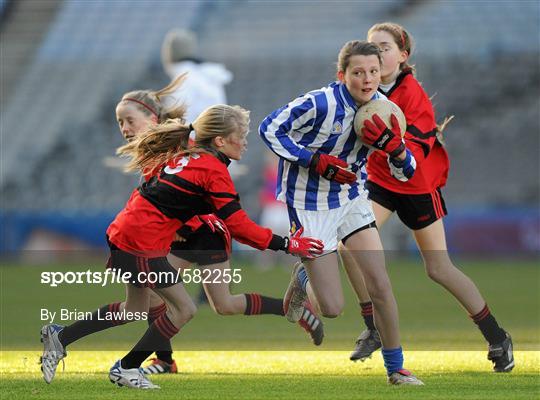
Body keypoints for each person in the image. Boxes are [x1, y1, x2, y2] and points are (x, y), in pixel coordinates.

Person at [39, 104, 324, 389]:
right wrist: (288, 244)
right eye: (241, 135)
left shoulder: (193, 156)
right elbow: (238, 225)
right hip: (141, 241)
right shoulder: (212, 168)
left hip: (128, 233)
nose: (246, 141)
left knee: (137, 309)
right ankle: (127, 367)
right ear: (220, 141)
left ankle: (61, 337)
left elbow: (158, 191)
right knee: (184, 308)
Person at [116, 83, 325, 375]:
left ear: (151, 118)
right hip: (189, 233)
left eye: (129, 120)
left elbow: (233, 221)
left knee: (218, 305)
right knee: (172, 299)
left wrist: (286, 244)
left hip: (208, 234)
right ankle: (161, 361)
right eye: (122, 122)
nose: (125, 128)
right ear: (220, 140)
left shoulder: (185, 148)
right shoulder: (175, 145)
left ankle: (142, 364)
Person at [342, 22, 513, 373]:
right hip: (381, 183)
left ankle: (497, 336)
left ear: (403, 56)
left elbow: (413, 161)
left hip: (418, 187)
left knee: (438, 268)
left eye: (386, 47)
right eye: (373, 46)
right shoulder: (363, 84)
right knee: (348, 246)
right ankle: (373, 327)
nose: (378, 52)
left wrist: (394, 148)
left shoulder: (412, 94)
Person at [259, 40, 423, 385]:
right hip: (308, 205)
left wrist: (395, 150)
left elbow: (407, 171)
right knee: (332, 308)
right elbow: (269, 128)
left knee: (380, 283)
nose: (367, 79)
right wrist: (314, 160)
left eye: (374, 72)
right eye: (358, 72)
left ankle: (396, 368)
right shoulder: (320, 102)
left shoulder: (385, 108)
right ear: (342, 74)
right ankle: (304, 276)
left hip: (351, 200)